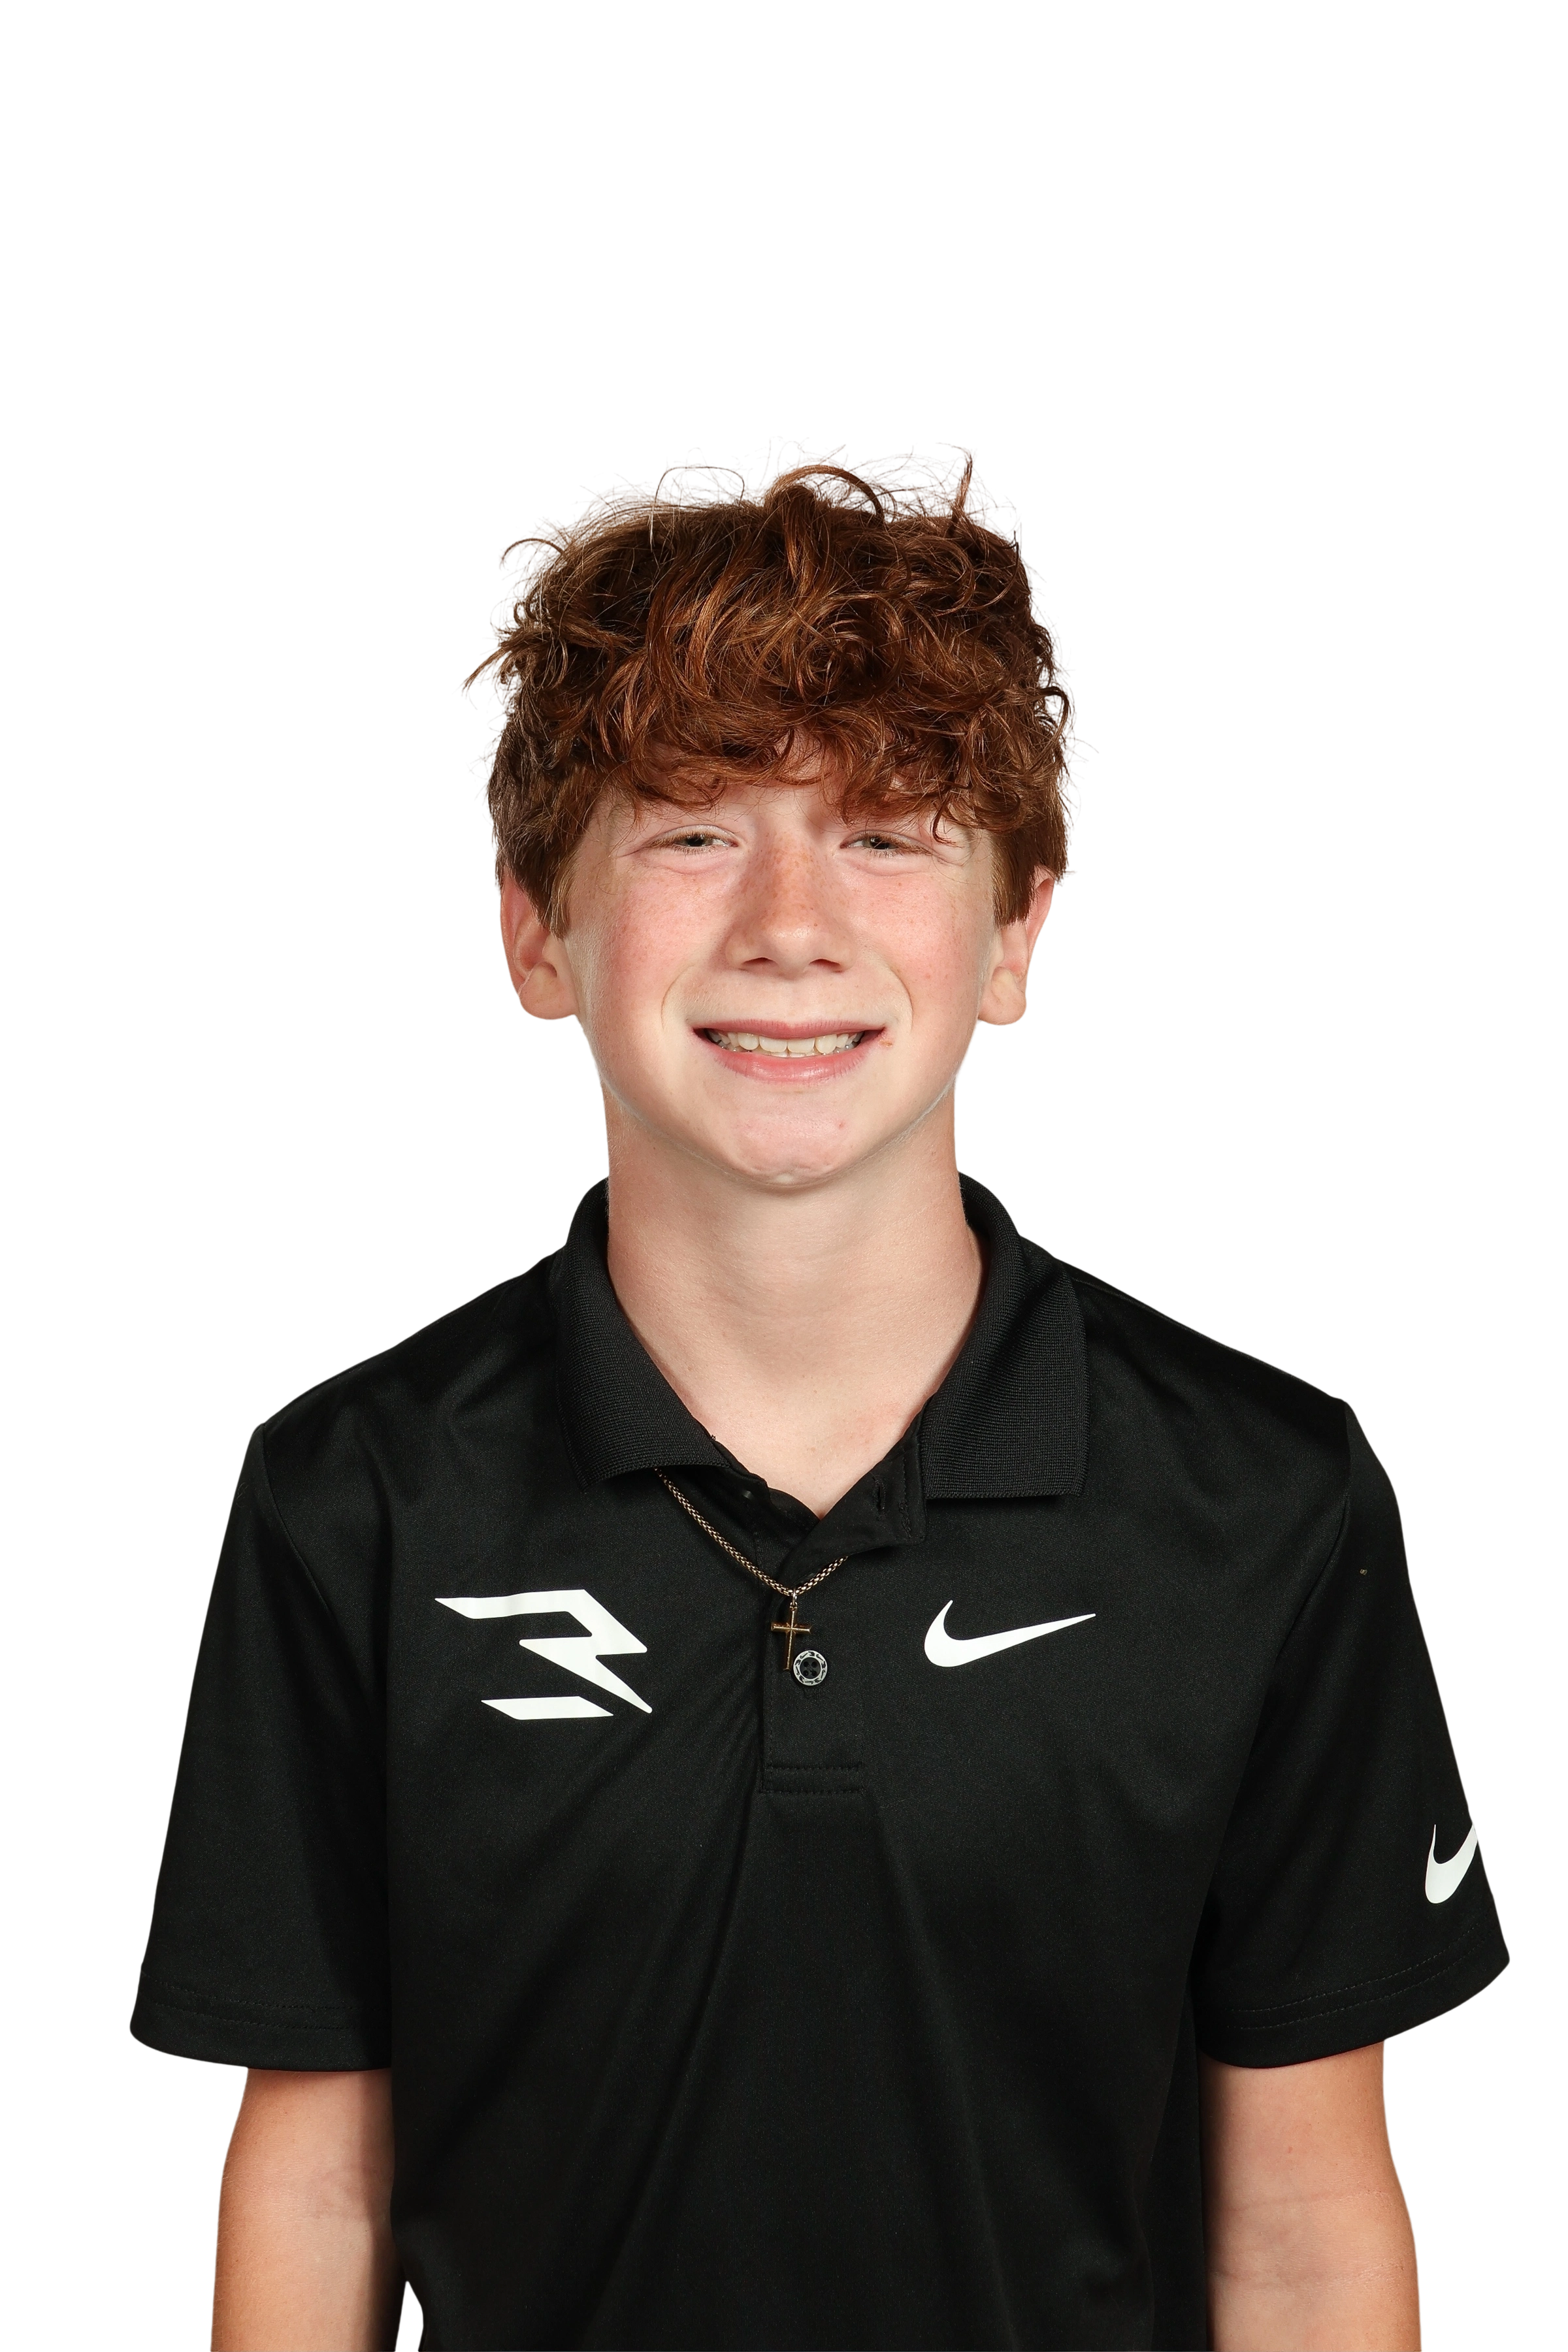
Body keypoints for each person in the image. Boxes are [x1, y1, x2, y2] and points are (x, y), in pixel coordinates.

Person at [129, 436, 1508, 2352]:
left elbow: (1301, 2227)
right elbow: (320, 2181)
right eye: (692, 831)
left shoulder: (1263, 1498)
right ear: (533, 927)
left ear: (1016, 930)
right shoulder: (355, 1496)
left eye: (889, 832)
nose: (790, 920)